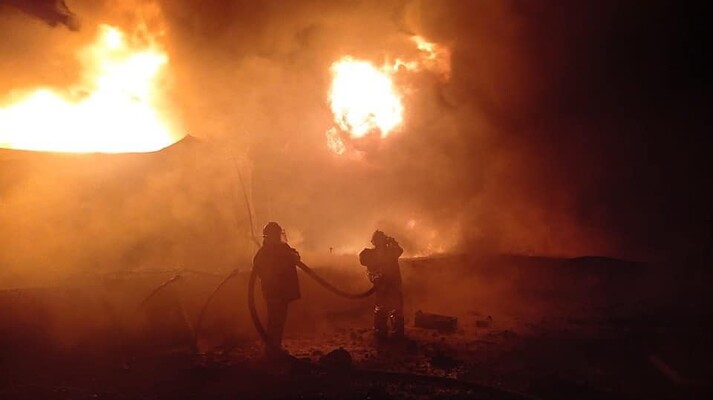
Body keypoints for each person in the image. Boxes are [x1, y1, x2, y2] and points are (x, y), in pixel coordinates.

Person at [253, 222, 301, 357]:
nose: (278, 237)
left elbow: (294, 254)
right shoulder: (265, 253)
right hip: (273, 293)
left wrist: (294, 256)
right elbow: (262, 269)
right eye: (276, 235)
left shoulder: (283, 248)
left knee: (278, 321)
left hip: (282, 292)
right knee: (275, 320)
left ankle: (274, 348)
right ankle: (271, 349)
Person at [359, 230, 404, 341]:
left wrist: (393, 243)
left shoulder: (390, 252)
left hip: (392, 285)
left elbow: (399, 251)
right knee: (384, 308)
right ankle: (382, 332)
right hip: (384, 286)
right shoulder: (372, 254)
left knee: (393, 308)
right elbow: (363, 259)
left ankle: (391, 333)